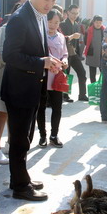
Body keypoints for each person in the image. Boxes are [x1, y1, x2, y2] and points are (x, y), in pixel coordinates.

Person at [1, 0, 62, 201]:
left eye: (53, 0)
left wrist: (50, 61)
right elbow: (10, 55)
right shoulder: (19, 18)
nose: (49, 5)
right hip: (19, 89)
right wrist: (41, 63)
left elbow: (37, 50)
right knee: (19, 139)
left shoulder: (41, 16)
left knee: (26, 136)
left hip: (32, 87)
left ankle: (21, 176)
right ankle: (20, 187)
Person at [0, 3, 22, 165]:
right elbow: (0, 55)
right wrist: (24, 61)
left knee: (14, 113)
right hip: (4, 75)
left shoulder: (26, 30)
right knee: (2, 112)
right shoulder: (4, 29)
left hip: (18, 76)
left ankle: (9, 144)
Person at [37, 9, 68, 148]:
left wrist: (65, 60)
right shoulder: (41, 36)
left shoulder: (61, 37)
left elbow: (65, 53)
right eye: (50, 21)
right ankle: (42, 135)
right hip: (43, 76)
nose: (53, 25)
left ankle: (54, 135)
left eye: (56, 22)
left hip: (56, 77)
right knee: (41, 107)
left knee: (57, 107)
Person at [60, 4, 88, 102]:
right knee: (65, 75)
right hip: (65, 53)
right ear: (68, 12)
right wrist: (72, 36)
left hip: (74, 53)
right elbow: (61, 38)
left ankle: (82, 95)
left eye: (77, 13)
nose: (75, 15)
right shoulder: (62, 24)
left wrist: (80, 54)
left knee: (82, 73)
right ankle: (65, 96)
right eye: (73, 13)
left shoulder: (77, 25)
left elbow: (78, 42)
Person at [83, 15, 104, 83]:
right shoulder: (89, 31)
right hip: (91, 54)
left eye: (100, 22)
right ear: (93, 22)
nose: (98, 24)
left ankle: (103, 86)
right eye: (97, 22)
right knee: (92, 73)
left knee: (103, 72)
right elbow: (86, 42)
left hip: (101, 54)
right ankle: (93, 86)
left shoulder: (104, 30)